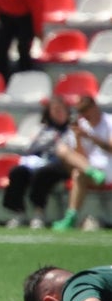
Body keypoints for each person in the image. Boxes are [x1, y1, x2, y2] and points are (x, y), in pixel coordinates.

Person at [2, 95, 72, 228]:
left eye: (61, 110)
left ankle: (39, 212)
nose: (58, 113)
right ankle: (18, 212)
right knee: (18, 172)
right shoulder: (42, 129)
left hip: (60, 164)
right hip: (38, 160)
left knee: (43, 173)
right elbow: (30, 148)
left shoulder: (72, 130)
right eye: (55, 110)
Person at [51, 95, 111, 231]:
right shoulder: (81, 125)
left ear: (94, 107)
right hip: (89, 168)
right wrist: (78, 138)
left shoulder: (109, 122)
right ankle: (71, 217)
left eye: (85, 110)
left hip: (107, 168)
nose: (83, 115)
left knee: (78, 172)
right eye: (80, 111)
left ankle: (70, 217)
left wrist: (89, 136)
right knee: (63, 149)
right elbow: (79, 156)